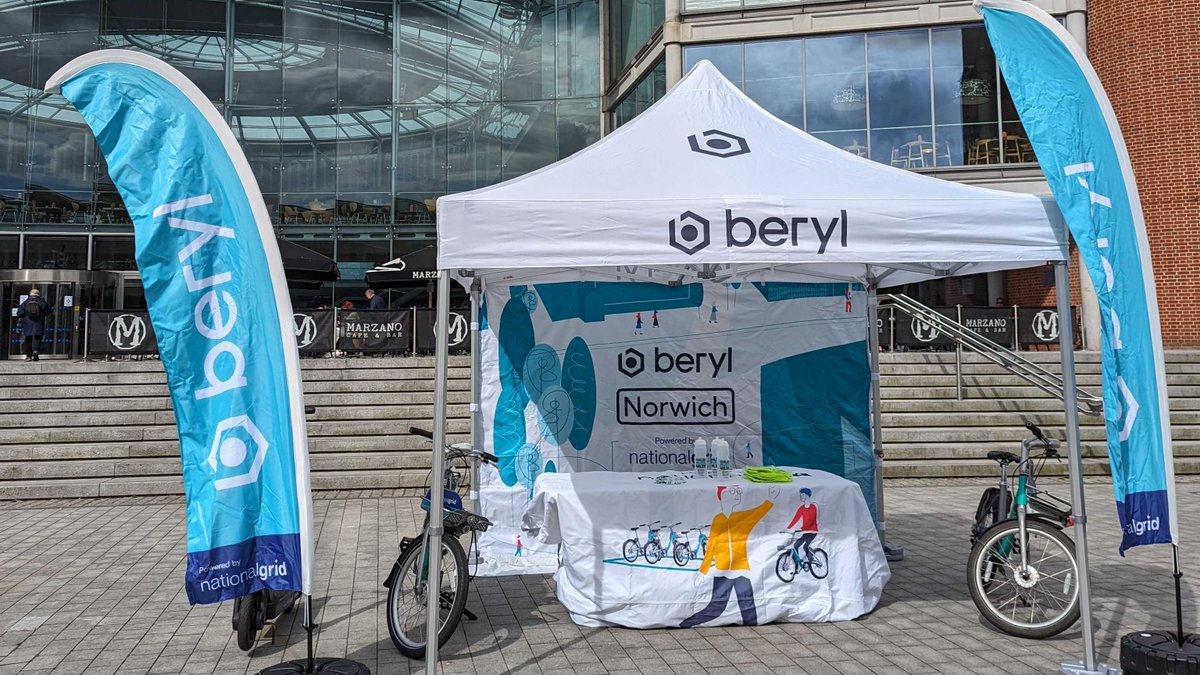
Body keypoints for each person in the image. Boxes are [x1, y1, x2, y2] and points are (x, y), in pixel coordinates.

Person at [681, 484, 778, 628]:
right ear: (722, 498)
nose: (736, 494)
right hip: (723, 570)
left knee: (749, 609)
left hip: (740, 570)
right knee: (715, 609)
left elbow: (758, 513)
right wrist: (703, 571)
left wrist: (770, 499)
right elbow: (711, 547)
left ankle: (755, 639)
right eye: (731, 493)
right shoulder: (718, 520)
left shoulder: (741, 517)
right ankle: (685, 624)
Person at [787, 488, 819, 567]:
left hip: (812, 531)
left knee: (805, 546)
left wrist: (811, 527)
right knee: (795, 546)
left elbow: (817, 519)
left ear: (808, 495)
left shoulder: (814, 506)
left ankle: (811, 560)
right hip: (805, 531)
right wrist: (788, 528)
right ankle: (798, 563)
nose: (801, 497)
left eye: (803, 495)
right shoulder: (801, 508)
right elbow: (795, 519)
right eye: (800, 495)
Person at [17, 289, 49, 362]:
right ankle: (35, 351)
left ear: (30, 294)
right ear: (38, 294)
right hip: (39, 323)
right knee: (38, 338)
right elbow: (47, 312)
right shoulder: (42, 302)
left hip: (27, 324)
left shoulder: (25, 303)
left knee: (28, 339)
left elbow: (19, 313)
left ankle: (28, 356)